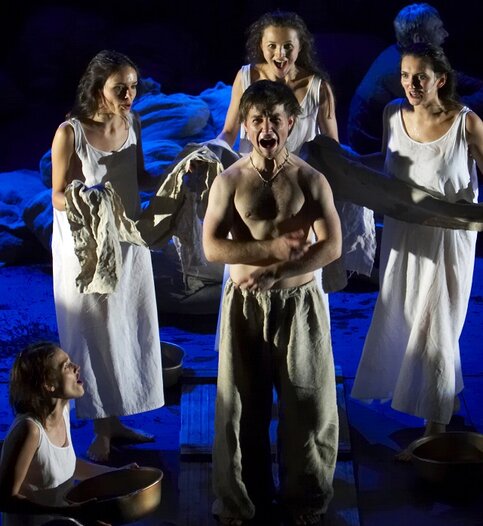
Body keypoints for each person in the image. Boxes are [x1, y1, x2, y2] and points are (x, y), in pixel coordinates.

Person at [203, 80, 342, 525]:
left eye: (275, 120)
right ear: (245, 126)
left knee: (308, 404)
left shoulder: (310, 179)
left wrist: (280, 269)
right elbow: (212, 247)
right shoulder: (229, 181)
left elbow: (332, 245)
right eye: (257, 120)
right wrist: (269, 250)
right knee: (240, 406)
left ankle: (306, 499)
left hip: (299, 305)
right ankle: (242, 500)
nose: (267, 129)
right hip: (244, 306)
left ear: (291, 123)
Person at [350, 43, 483, 458]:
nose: (411, 84)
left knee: (437, 324)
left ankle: (434, 427)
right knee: (404, 316)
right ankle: (438, 399)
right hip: (403, 234)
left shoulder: (465, 123)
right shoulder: (393, 114)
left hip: (447, 240)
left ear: (440, 79)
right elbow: (386, 164)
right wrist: (342, 167)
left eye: (420, 77)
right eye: (406, 76)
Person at [50, 50, 164, 462]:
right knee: (94, 332)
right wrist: (88, 198)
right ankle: (100, 429)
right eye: (120, 89)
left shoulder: (133, 123)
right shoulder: (71, 133)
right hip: (89, 249)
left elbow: (140, 177)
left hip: (128, 241)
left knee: (126, 327)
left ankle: (116, 422)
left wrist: (176, 175)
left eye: (133, 87)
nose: (129, 95)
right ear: (98, 89)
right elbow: (57, 195)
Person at [0, 342, 134, 525]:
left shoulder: (62, 411)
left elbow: (68, 466)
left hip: (63, 519)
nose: (76, 367)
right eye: (66, 366)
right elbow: (5, 500)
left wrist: (118, 474)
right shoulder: (30, 430)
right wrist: (70, 512)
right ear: (49, 384)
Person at [347, 2, 483, 154]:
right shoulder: (402, 70)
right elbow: (442, 113)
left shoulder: (408, 55)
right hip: (376, 150)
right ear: (419, 38)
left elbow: (449, 76)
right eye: (437, 29)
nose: (445, 34)